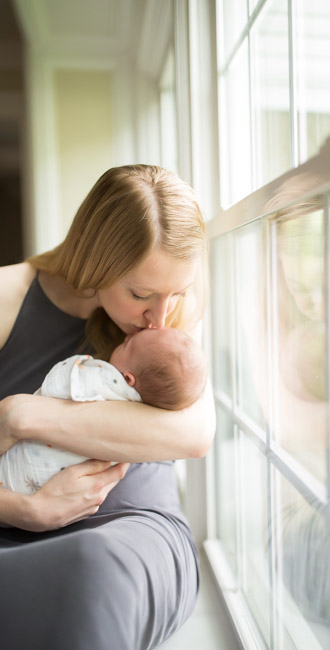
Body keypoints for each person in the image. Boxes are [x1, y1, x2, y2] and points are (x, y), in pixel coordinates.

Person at [0, 164, 215, 650]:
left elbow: (194, 435)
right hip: (9, 529)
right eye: (140, 294)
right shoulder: (9, 298)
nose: (161, 319)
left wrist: (24, 417)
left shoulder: (177, 313)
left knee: (91, 570)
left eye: (176, 292)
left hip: (131, 535)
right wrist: (23, 509)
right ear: (95, 262)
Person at [0, 327, 208, 495]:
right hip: (37, 489)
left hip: (20, 467)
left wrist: (81, 366)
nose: (129, 335)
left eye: (128, 345)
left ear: (127, 379)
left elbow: (57, 385)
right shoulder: (143, 419)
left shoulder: (105, 380)